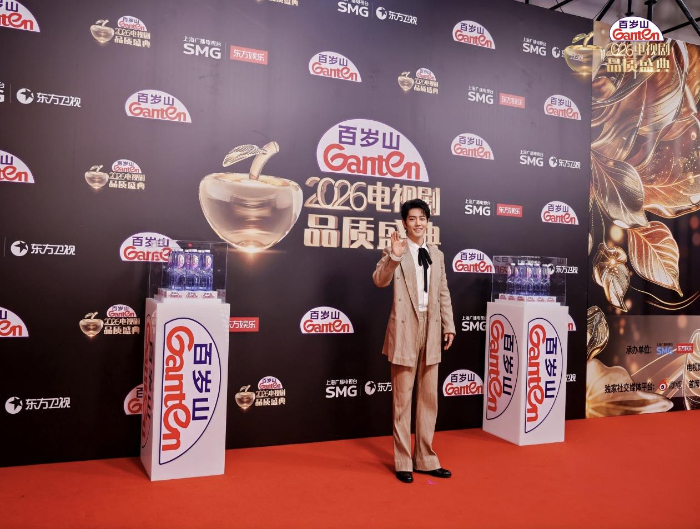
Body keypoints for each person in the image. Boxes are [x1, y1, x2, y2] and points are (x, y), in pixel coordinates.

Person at [372, 198, 456, 483]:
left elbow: (443, 291)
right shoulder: (395, 250)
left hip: (431, 327)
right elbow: (379, 280)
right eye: (412, 219)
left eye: (422, 218)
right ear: (404, 223)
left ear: (428, 221)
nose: (418, 223)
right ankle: (403, 461)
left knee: (429, 399)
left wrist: (449, 325)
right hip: (405, 328)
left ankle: (426, 459)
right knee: (402, 399)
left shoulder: (437, 254)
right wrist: (395, 257)